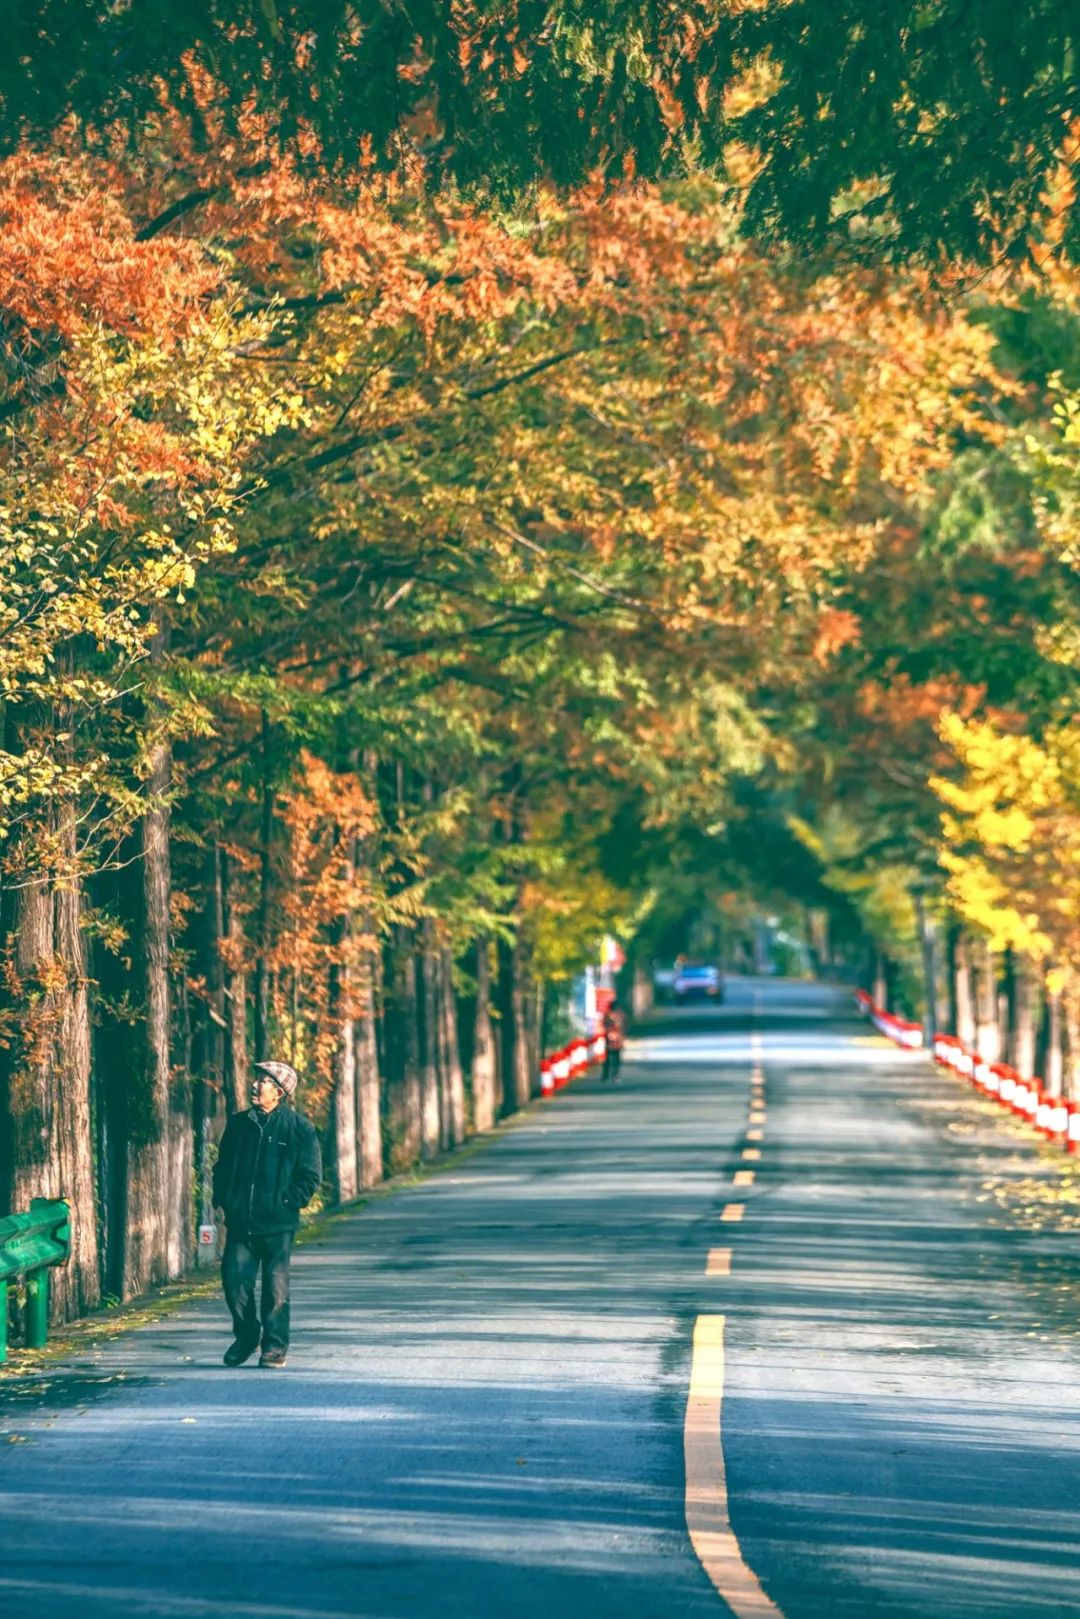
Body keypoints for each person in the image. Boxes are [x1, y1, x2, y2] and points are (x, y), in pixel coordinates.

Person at [212, 1059, 322, 1369]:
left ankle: (274, 1347)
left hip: (278, 1224)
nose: (254, 1085)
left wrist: (288, 1201)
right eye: (256, 1079)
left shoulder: (299, 1128)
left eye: (262, 1081)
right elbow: (222, 1167)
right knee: (234, 1283)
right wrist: (223, 1198)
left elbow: (310, 1175)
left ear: (279, 1091)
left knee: (276, 1289)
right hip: (240, 1224)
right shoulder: (238, 1124)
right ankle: (247, 1336)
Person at [601, 1000, 627, 1082]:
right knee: (613, 1058)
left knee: (611, 1058)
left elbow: (623, 1026)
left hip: (613, 1038)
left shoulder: (612, 1015)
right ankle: (611, 1075)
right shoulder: (615, 1015)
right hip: (613, 1038)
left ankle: (609, 1075)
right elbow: (623, 1026)